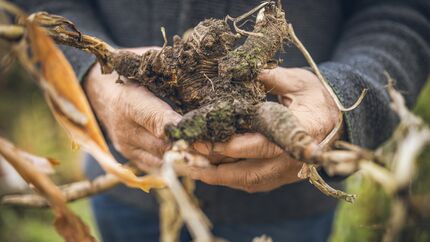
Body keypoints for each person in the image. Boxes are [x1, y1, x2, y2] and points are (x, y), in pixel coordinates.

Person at [14, 1, 430, 242]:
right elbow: (31, 10)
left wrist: (338, 99)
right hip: (125, 182)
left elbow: (405, 13)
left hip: (288, 206)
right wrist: (87, 72)